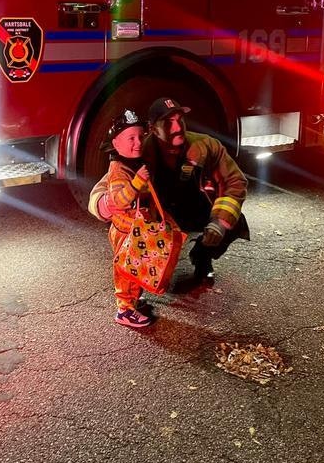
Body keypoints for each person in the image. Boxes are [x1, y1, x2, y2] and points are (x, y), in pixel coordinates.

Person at [90, 97, 249, 283]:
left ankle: (202, 255)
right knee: (132, 225)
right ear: (153, 128)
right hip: (161, 216)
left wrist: (219, 222)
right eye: (168, 122)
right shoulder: (141, 151)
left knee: (234, 221)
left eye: (179, 119)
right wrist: (105, 204)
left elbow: (235, 181)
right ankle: (136, 281)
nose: (177, 128)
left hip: (195, 209)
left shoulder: (206, 146)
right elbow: (106, 184)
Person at [94, 109, 154, 329]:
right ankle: (125, 310)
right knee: (126, 271)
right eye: (131, 138)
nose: (138, 142)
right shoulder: (119, 170)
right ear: (116, 143)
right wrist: (137, 184)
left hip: (135, 230)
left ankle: (133, 301)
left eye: (140, 136)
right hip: (125, 232)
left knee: (136, 268)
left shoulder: (132, 163)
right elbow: (118, 201)